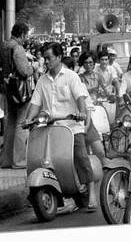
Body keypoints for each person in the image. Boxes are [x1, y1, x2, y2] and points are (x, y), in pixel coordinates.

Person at [25, 43, 98, 210]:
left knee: (80, 155)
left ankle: (92, 189)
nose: (46, 61)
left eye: (49, 58)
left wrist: (81, 112)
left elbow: (80, 97)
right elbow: (35, 102)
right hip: (50, 128)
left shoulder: (71, 76)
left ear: (58, 57)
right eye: (44, 58)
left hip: (71, 126)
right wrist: (28, 119)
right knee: (40, 156)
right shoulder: (42, 80)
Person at [0, 22, 34, 169]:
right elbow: (24, 71)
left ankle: (7, 159)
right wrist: (33, 67)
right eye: (26, 35)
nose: (27, 39)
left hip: (7, 88)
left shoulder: (5, 45)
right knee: (20, 123)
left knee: (10, 123)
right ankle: (19, 161)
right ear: (22, 34)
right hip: (19, 91)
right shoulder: (17, 48)